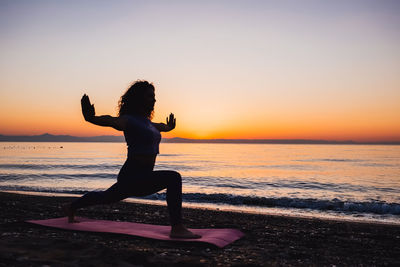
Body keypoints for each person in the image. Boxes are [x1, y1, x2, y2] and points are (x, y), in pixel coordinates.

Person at [63, 80, 200, 239]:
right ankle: (177, 228)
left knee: (106, 197)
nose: (154, 100)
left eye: (154, 96)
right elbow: (110, 120)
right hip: (132, 175)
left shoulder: (149, 123)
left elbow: (161, 126)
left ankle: (71, 206)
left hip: (143, 175)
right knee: (173, 178)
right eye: (150, 96)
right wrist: (90, 118)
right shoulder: (128, 120)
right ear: (139, 98)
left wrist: (169, 128)